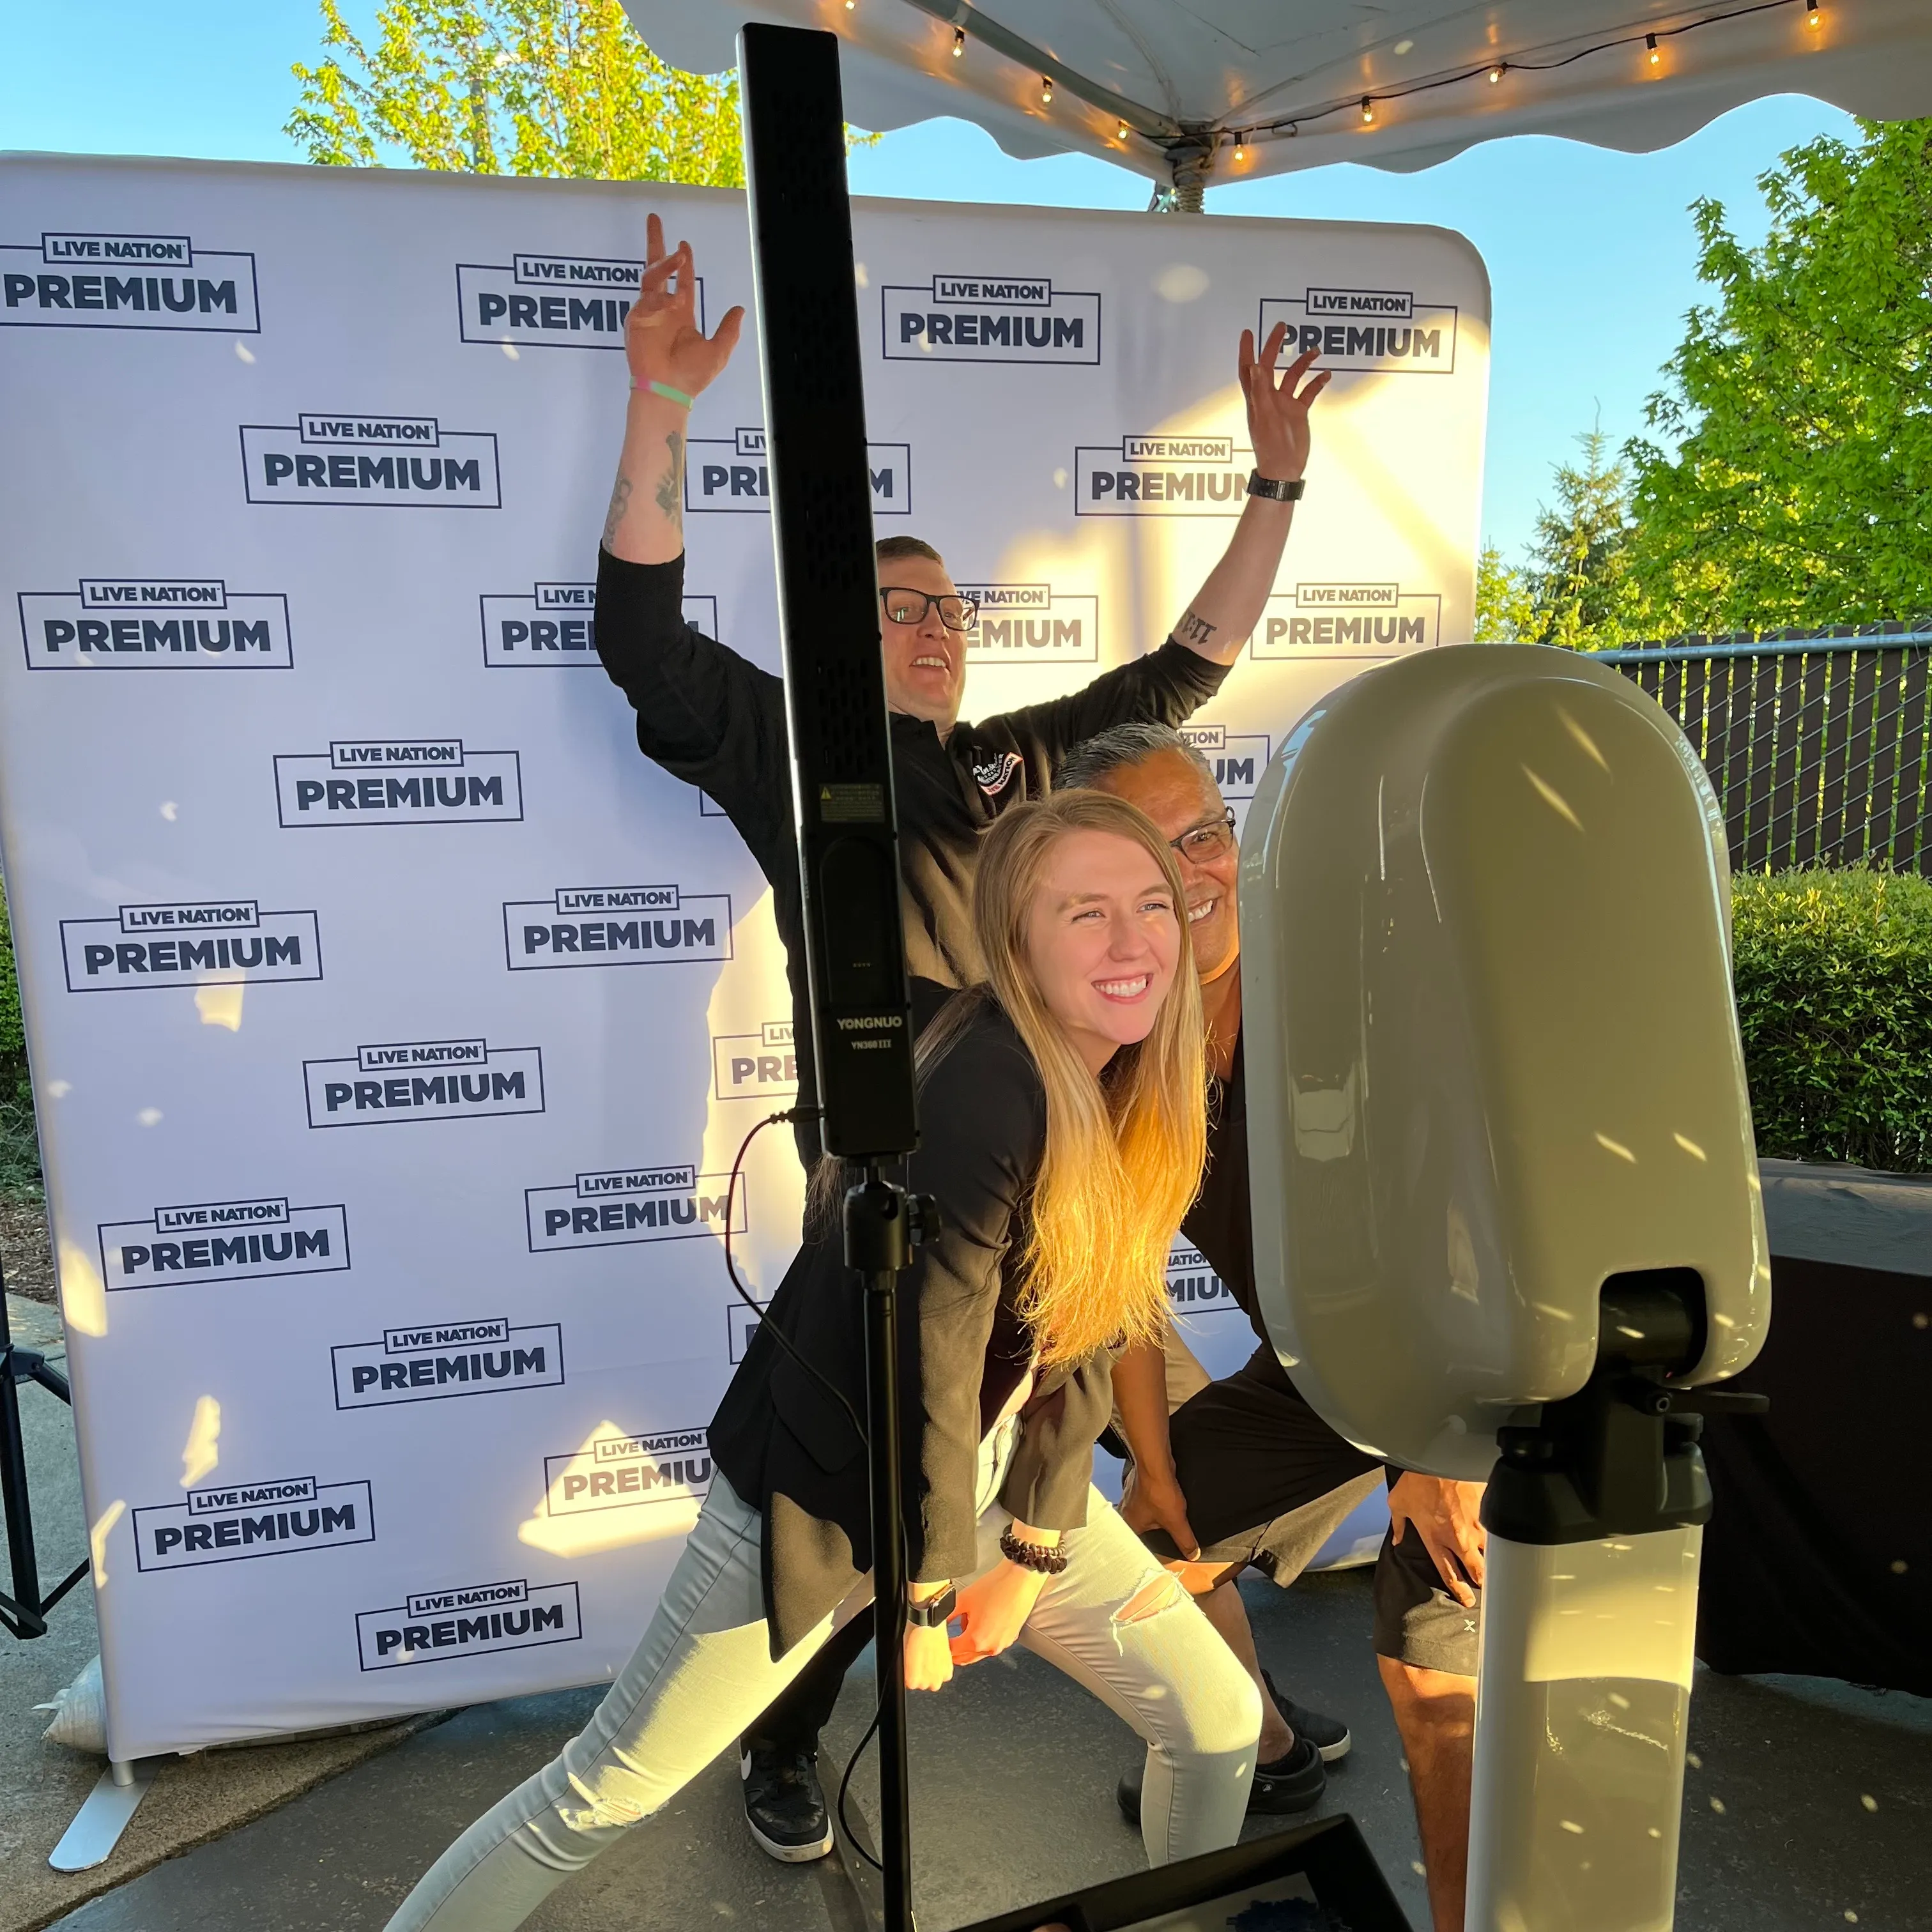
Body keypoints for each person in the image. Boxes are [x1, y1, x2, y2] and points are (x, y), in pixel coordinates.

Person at [595, 211, 1332, 1856]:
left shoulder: (1015, 765)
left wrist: (1275, 487)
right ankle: (786, 1741)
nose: (933, 627)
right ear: (840, 646)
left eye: (946, 609)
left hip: (1040, 1172)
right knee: (884, 1485)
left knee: (993, 1461)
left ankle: (1197, 1706)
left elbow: (1189, 668)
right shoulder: (793, 743)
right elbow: (640, 643)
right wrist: (660, 412)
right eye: (896, 608)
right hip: (900, 1184)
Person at [384, 792, 1265, 1931]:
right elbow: (930, 1362)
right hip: (829, 1494)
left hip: (978, 1474)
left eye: (1150, 903)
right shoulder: (993, 1082)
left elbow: (1089, 1326)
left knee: (1213, 1720)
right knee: (606, 1791)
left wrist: (1038, 1544)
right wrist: (930, 1581)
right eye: (1085, 912)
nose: (1134, 939)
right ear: (1017, 938)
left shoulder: (1128, 1085)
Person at [1055, 721, 1488, 1932]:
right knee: (1148, 1553)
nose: (1192, 871)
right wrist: (1153, 1470)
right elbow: (1124, 1290)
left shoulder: (1362, 986)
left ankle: (1459, 1916)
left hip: (1469, 1370)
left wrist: (1440, 1455)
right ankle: (1262, 1747)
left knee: (1430, 1641)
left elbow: (1466, 1236)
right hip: (1327, 1373)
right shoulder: (1121, 1057)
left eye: (1206, 830)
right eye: (1151, 846)